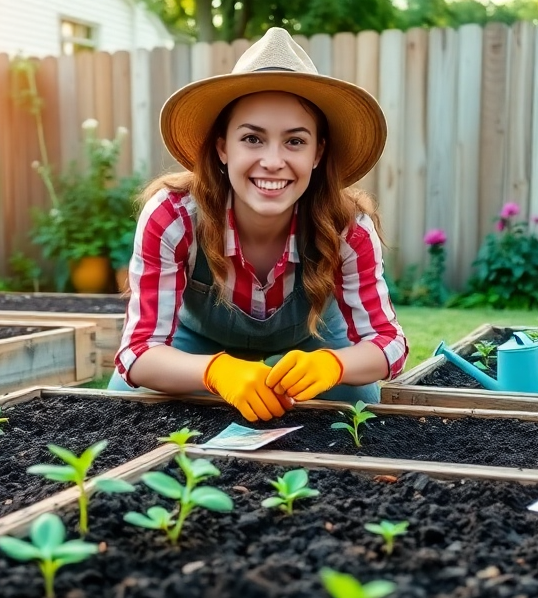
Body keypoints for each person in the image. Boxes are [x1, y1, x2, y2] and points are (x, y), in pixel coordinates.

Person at [107, 27, 408, 423]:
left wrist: (332, 365)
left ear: (318, 152)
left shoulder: (346, 226)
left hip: (313, 342)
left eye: (295, 142)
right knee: (124, 402)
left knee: (356, 400)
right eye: (252, 138)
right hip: (196, 342)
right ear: (222, 146)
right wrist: (215, 371)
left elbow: (388, 345)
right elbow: (138, 352)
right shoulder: (174, 217)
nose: (272, 161)